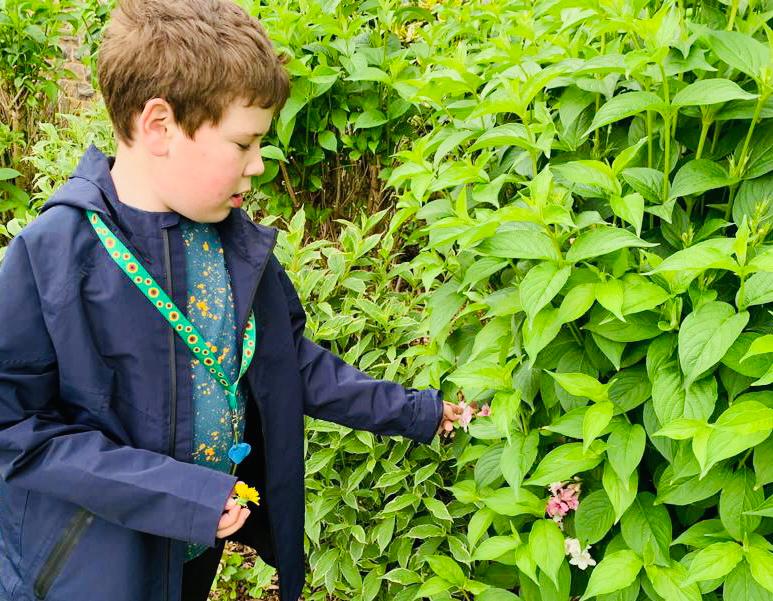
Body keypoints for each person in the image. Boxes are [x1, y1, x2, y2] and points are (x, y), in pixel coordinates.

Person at [0, 1, 463, 600]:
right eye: (245, 143)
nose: (259, 165)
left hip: (194, 547)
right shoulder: (55, 257)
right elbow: (16, 428)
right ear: (160, 126)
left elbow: (286, 362)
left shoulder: (232, 246)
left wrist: (416, 412)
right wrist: (177, 494)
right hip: (87, 569)